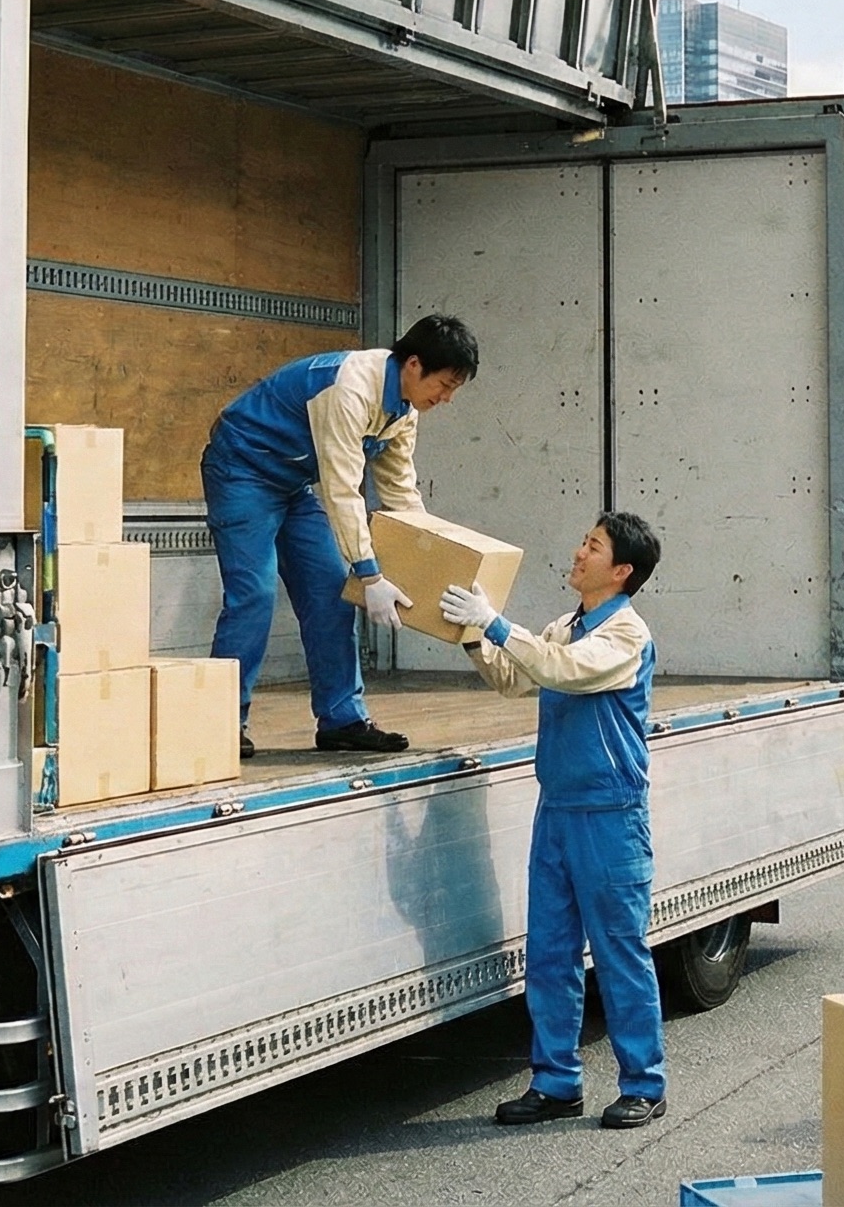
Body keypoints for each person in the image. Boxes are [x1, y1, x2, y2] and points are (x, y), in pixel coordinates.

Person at [441, 513, 667, 1131]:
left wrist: (495, 621)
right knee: (549, 953)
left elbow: (564, 670)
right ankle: (556, 1082)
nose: (578, 552)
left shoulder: (626, 634)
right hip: (558, 808)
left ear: (621, 571)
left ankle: (644, 1084)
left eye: (593, 546)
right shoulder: (562, 627)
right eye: (584, 541)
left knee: (619, 952)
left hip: (610, 814)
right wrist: (472, 635)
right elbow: (516, 677)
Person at [203, 315, 476, 756]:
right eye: (444, 385)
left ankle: (342, 719)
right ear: (413, 364)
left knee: (331, 593)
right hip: (242, 470)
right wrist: (370, 575)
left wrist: (428, 559)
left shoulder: (404, 409)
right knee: (253, 594)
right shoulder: (350, 387)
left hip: (292, 483)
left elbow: (400, 491)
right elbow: (343, 490)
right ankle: (218, 722)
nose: (446, 398)